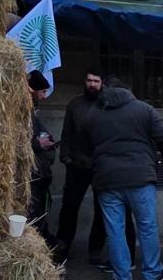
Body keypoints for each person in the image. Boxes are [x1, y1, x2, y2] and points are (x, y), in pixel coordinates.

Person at [85, 77, 163, 280]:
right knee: (148, 225)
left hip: (107, 179)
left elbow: (86, 144)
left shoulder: (93, 114)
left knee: (115, 229)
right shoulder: (144, 109)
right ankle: (153, 272)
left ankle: (122, 277)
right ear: (128, 91)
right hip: (140, 176)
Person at [56, 68, 136, 267]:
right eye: (89, 80)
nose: (92, 84)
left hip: (100, 164)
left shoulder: (107, 105)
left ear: (103, 84)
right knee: (69, 206)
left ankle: (95, 249)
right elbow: (66, 133)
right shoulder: (75, 104)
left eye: (96, 81)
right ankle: (63, 246)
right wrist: (65, 156)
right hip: (76, 164)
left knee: (102, 210)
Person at [27, 70, 60, 254]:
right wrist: (38, 143)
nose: (45, 96)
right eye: (43, 92)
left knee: (41, 212)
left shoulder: (32, 113)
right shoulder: (25, 112)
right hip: (34, 174)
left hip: (40, 173)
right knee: (35, 214)